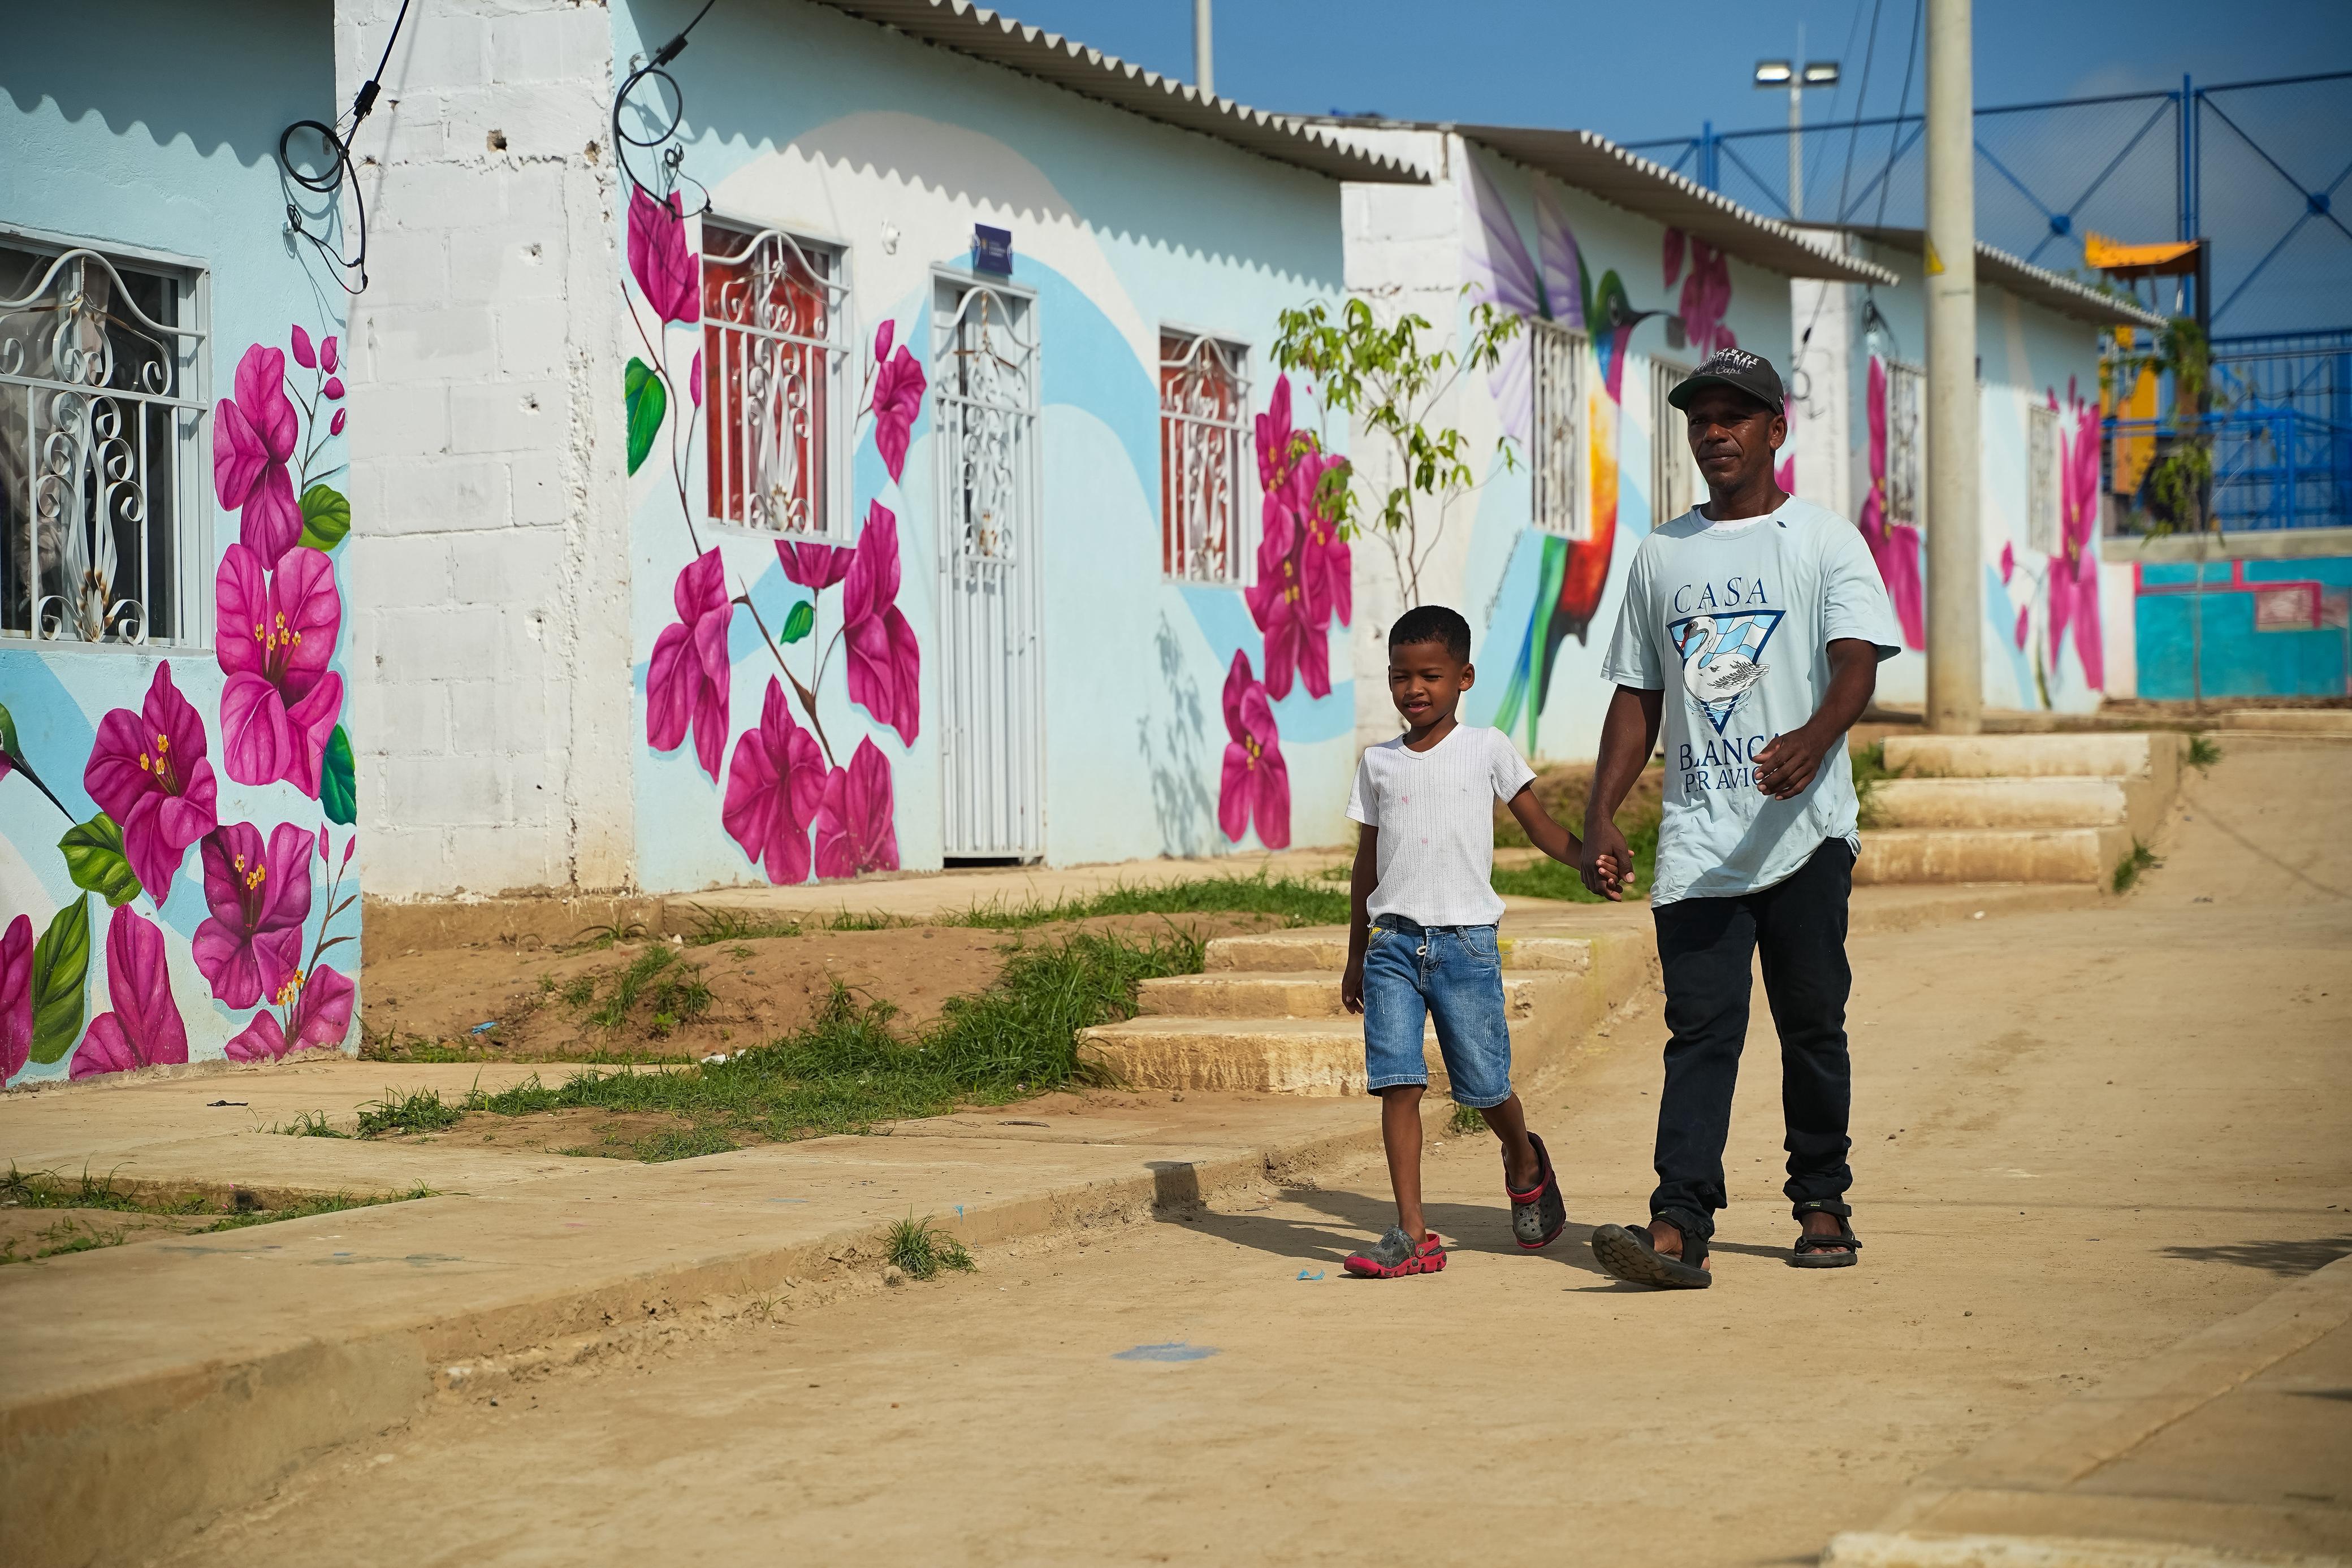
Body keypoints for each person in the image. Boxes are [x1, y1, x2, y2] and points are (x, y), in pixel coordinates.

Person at [1579, 348, 1901, 1290]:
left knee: (1812, 1022)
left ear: (1775, 429)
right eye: (1699, 418)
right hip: (1698, 839)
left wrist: (1813, 736)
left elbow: (1856, 661)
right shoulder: (1661, 554)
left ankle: (1822, 1199)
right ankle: (1678, 1220)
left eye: (1733, 416)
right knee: (1701, 1029)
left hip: (1804, 834)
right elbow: (1638, 695)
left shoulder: (1824, 540)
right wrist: (1603, 810)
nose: (1713, 432)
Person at [1337, 604, 1603, 1279]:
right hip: (1392, 946)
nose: (1413, 689)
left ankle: (1522, 1157)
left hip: (1465, 947)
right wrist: (1354, 951)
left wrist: (1588, 858)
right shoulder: (1377, 763)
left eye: (1430, 674)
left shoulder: (1486, 747)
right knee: (1397, 1084)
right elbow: (1366, 864)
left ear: (1464, 677)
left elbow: (1539, 825)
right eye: (1400, 676)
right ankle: (1412, 1233)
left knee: (1483, 1087)